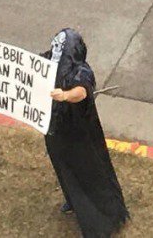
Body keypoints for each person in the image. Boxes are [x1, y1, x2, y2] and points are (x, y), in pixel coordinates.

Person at [41, 28, 129, 237]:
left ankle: (101, 219)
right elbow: (22, 67)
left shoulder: (81, 71)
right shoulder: (47, 63)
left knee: (87, 172)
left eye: (61, 47)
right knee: (64, 168)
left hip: (79, 135)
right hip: (56, 131)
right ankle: (73, 200)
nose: (56, 50)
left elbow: (81, 92)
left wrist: (64, 95)